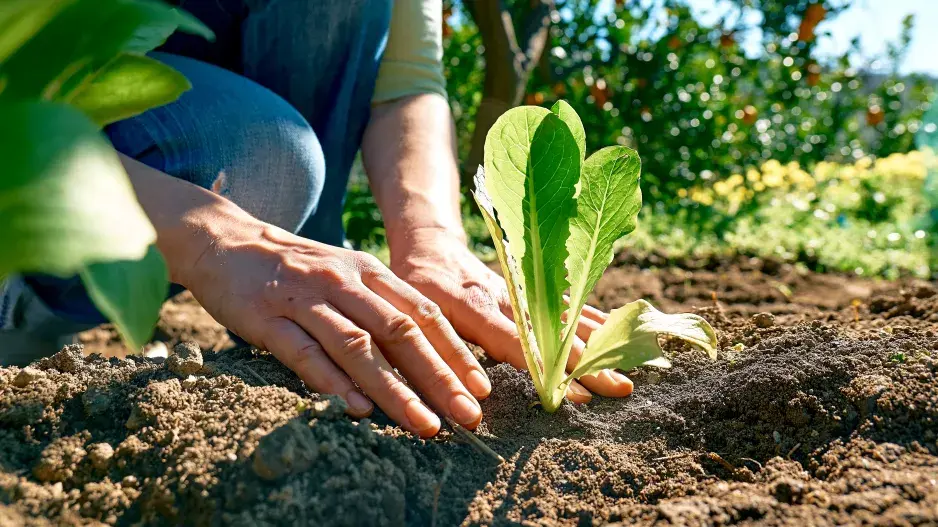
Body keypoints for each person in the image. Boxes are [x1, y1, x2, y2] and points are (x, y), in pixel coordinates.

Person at [0, 0, 633, 437]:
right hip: (25, 123)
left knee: (279, 148)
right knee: (279, 161)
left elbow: (407, 82)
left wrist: (433, 244)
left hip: (152, 117)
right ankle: (24, 302)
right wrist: (214, 237)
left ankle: (310, 307)